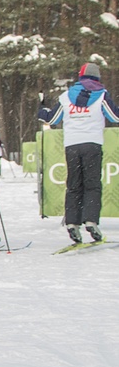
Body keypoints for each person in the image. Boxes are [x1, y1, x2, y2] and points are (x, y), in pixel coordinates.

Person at [38, 62, 119, 243]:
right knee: (92, 184)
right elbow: (115, 117)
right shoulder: (102, 95)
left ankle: (72, 223)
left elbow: (52, 119)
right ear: (97, 77)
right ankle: (90, 220)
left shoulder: (66, 96)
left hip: (72, 146)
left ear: (80, 76)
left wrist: (41, 109)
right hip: (92, 144)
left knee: (74, 185)